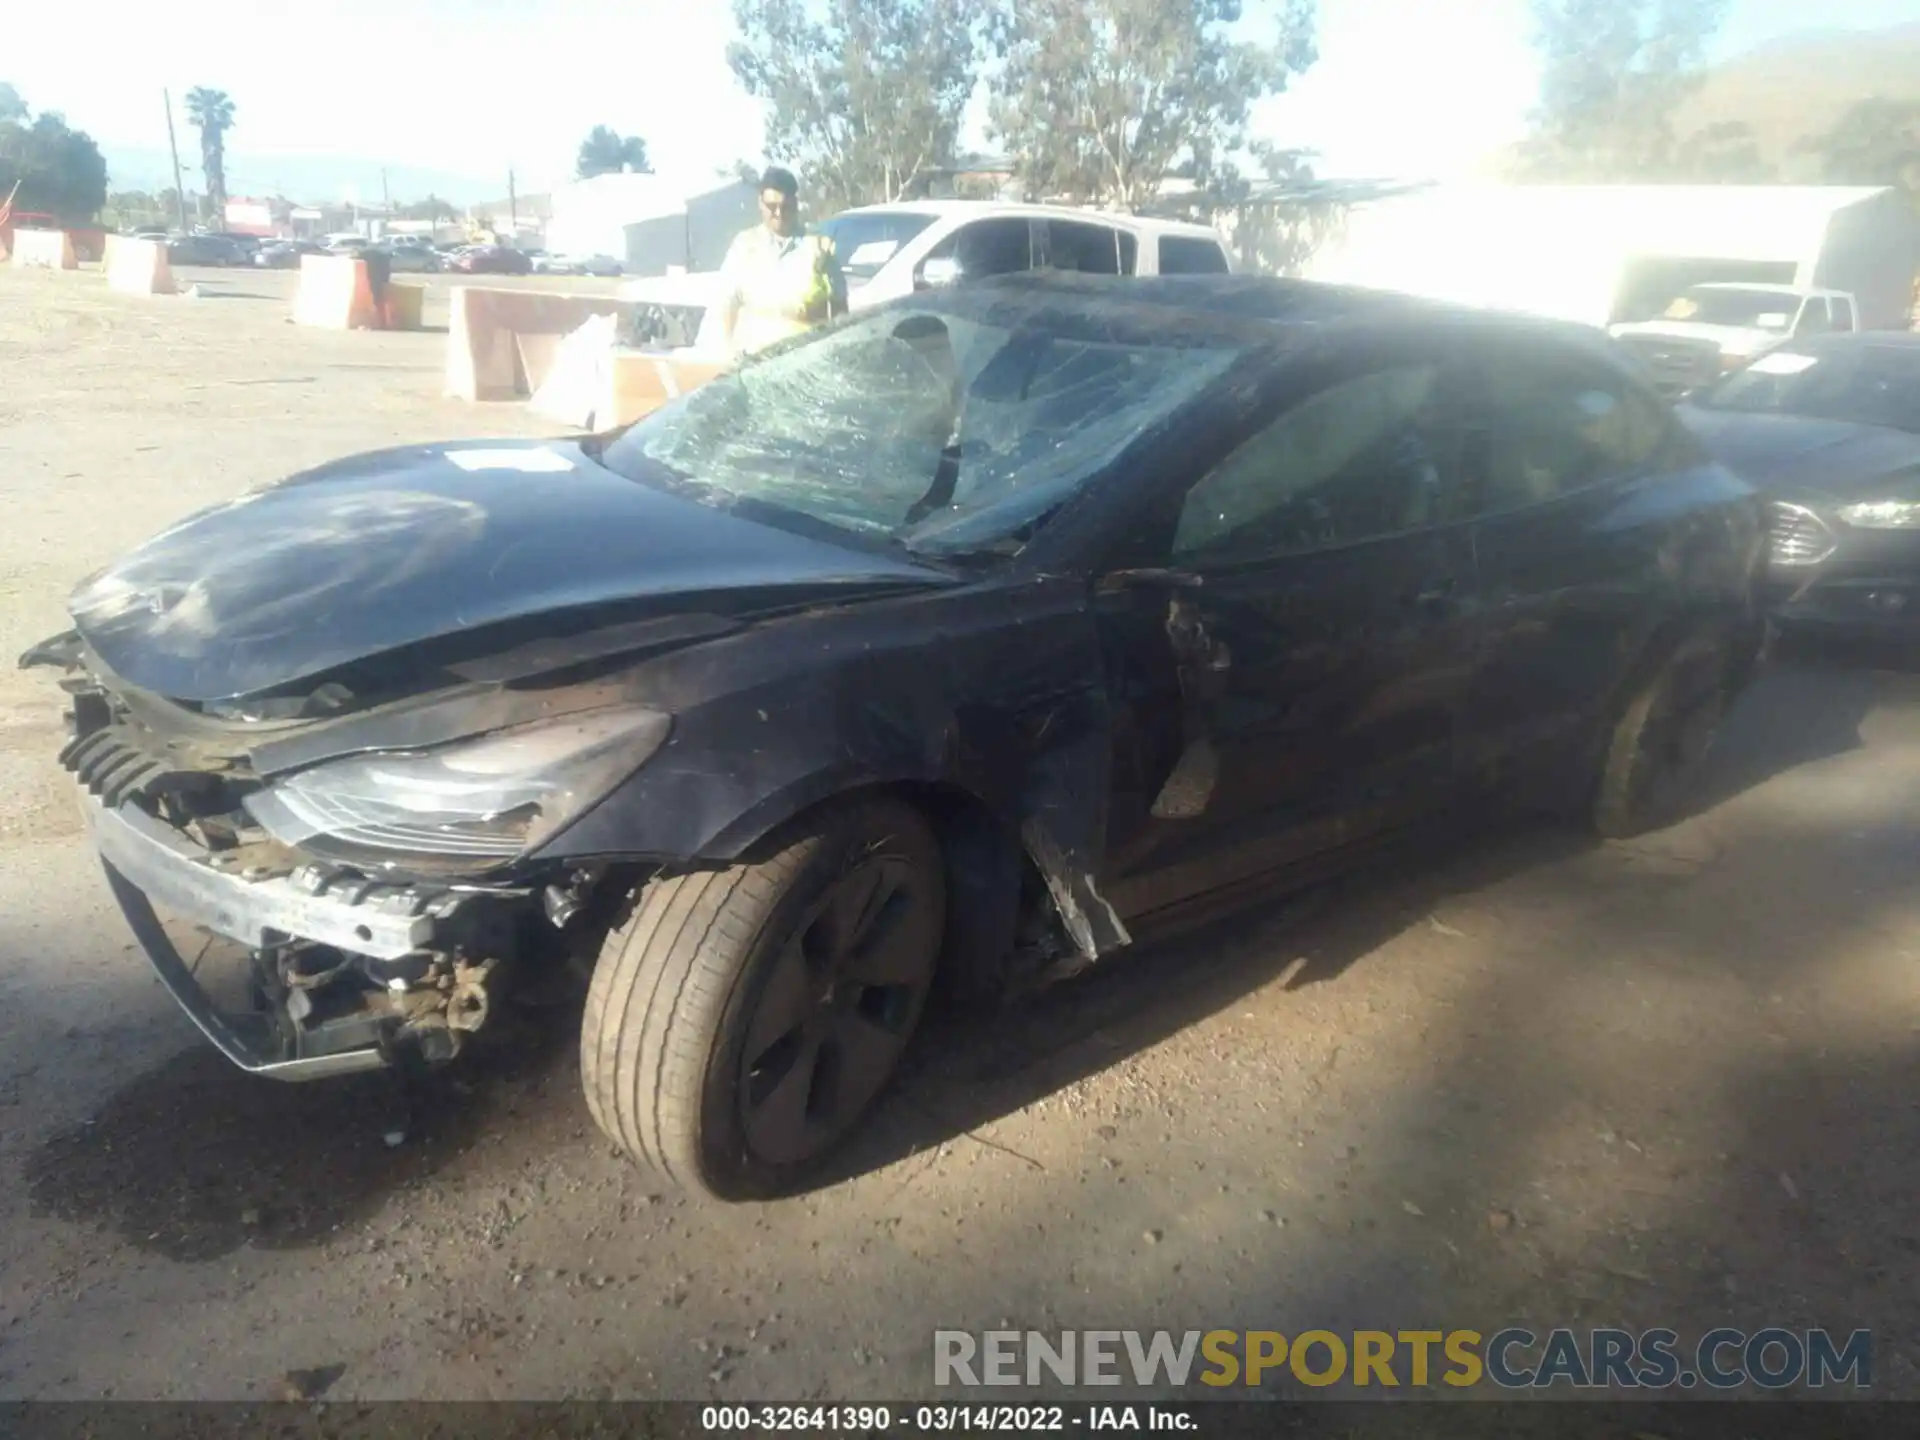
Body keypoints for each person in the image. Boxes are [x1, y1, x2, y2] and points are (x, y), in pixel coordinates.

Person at [717, 166, 846, 359]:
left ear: (795, 204)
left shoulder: (816, 246)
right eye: (771, 206)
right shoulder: (743, 246)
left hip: (804, 362)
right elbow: (727, 302)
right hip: (754, 362)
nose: (778, 213)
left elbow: (840, 309)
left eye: (785, 207)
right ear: (760, 203)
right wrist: (728, 348)